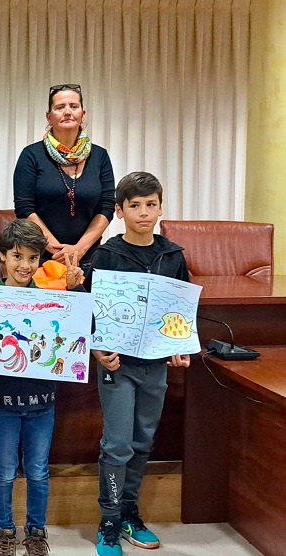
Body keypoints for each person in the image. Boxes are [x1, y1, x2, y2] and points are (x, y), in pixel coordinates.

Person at [90, 172, 190, 556]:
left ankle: (130, 513)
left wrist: (180, 346)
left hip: (155, 367)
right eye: (134, 205)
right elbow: (94, 311)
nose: (143, 213)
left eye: (150, 205)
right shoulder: (107, 254)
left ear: (161, 208)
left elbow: (180, 311)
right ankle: (109, 522)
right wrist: (98, 348)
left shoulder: (173, 255)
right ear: (119, 211)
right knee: (117, 445)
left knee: (142, 441)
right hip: (117, 366)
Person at [0, 220, 84, 556]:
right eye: (17, 256)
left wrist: (73, 291)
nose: (25, 265)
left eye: (33, 258)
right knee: (3, 472)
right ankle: (4, 531)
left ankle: (35, 531)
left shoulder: (51, 300)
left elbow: (81, 327)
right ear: (3, 256)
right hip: (2, 404)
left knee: (39, 472)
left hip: (43, 402)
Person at [13, 83, 115, 281]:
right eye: (60, 107)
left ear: (83, 115)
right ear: (49, 117)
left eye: (73, 106)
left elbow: (107, 207)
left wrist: (79, 249)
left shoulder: (100, 156)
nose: (67, 112)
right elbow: (25, 208)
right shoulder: (31, 155)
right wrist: (55, 249)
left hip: (89, 258)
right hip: (41, 258)